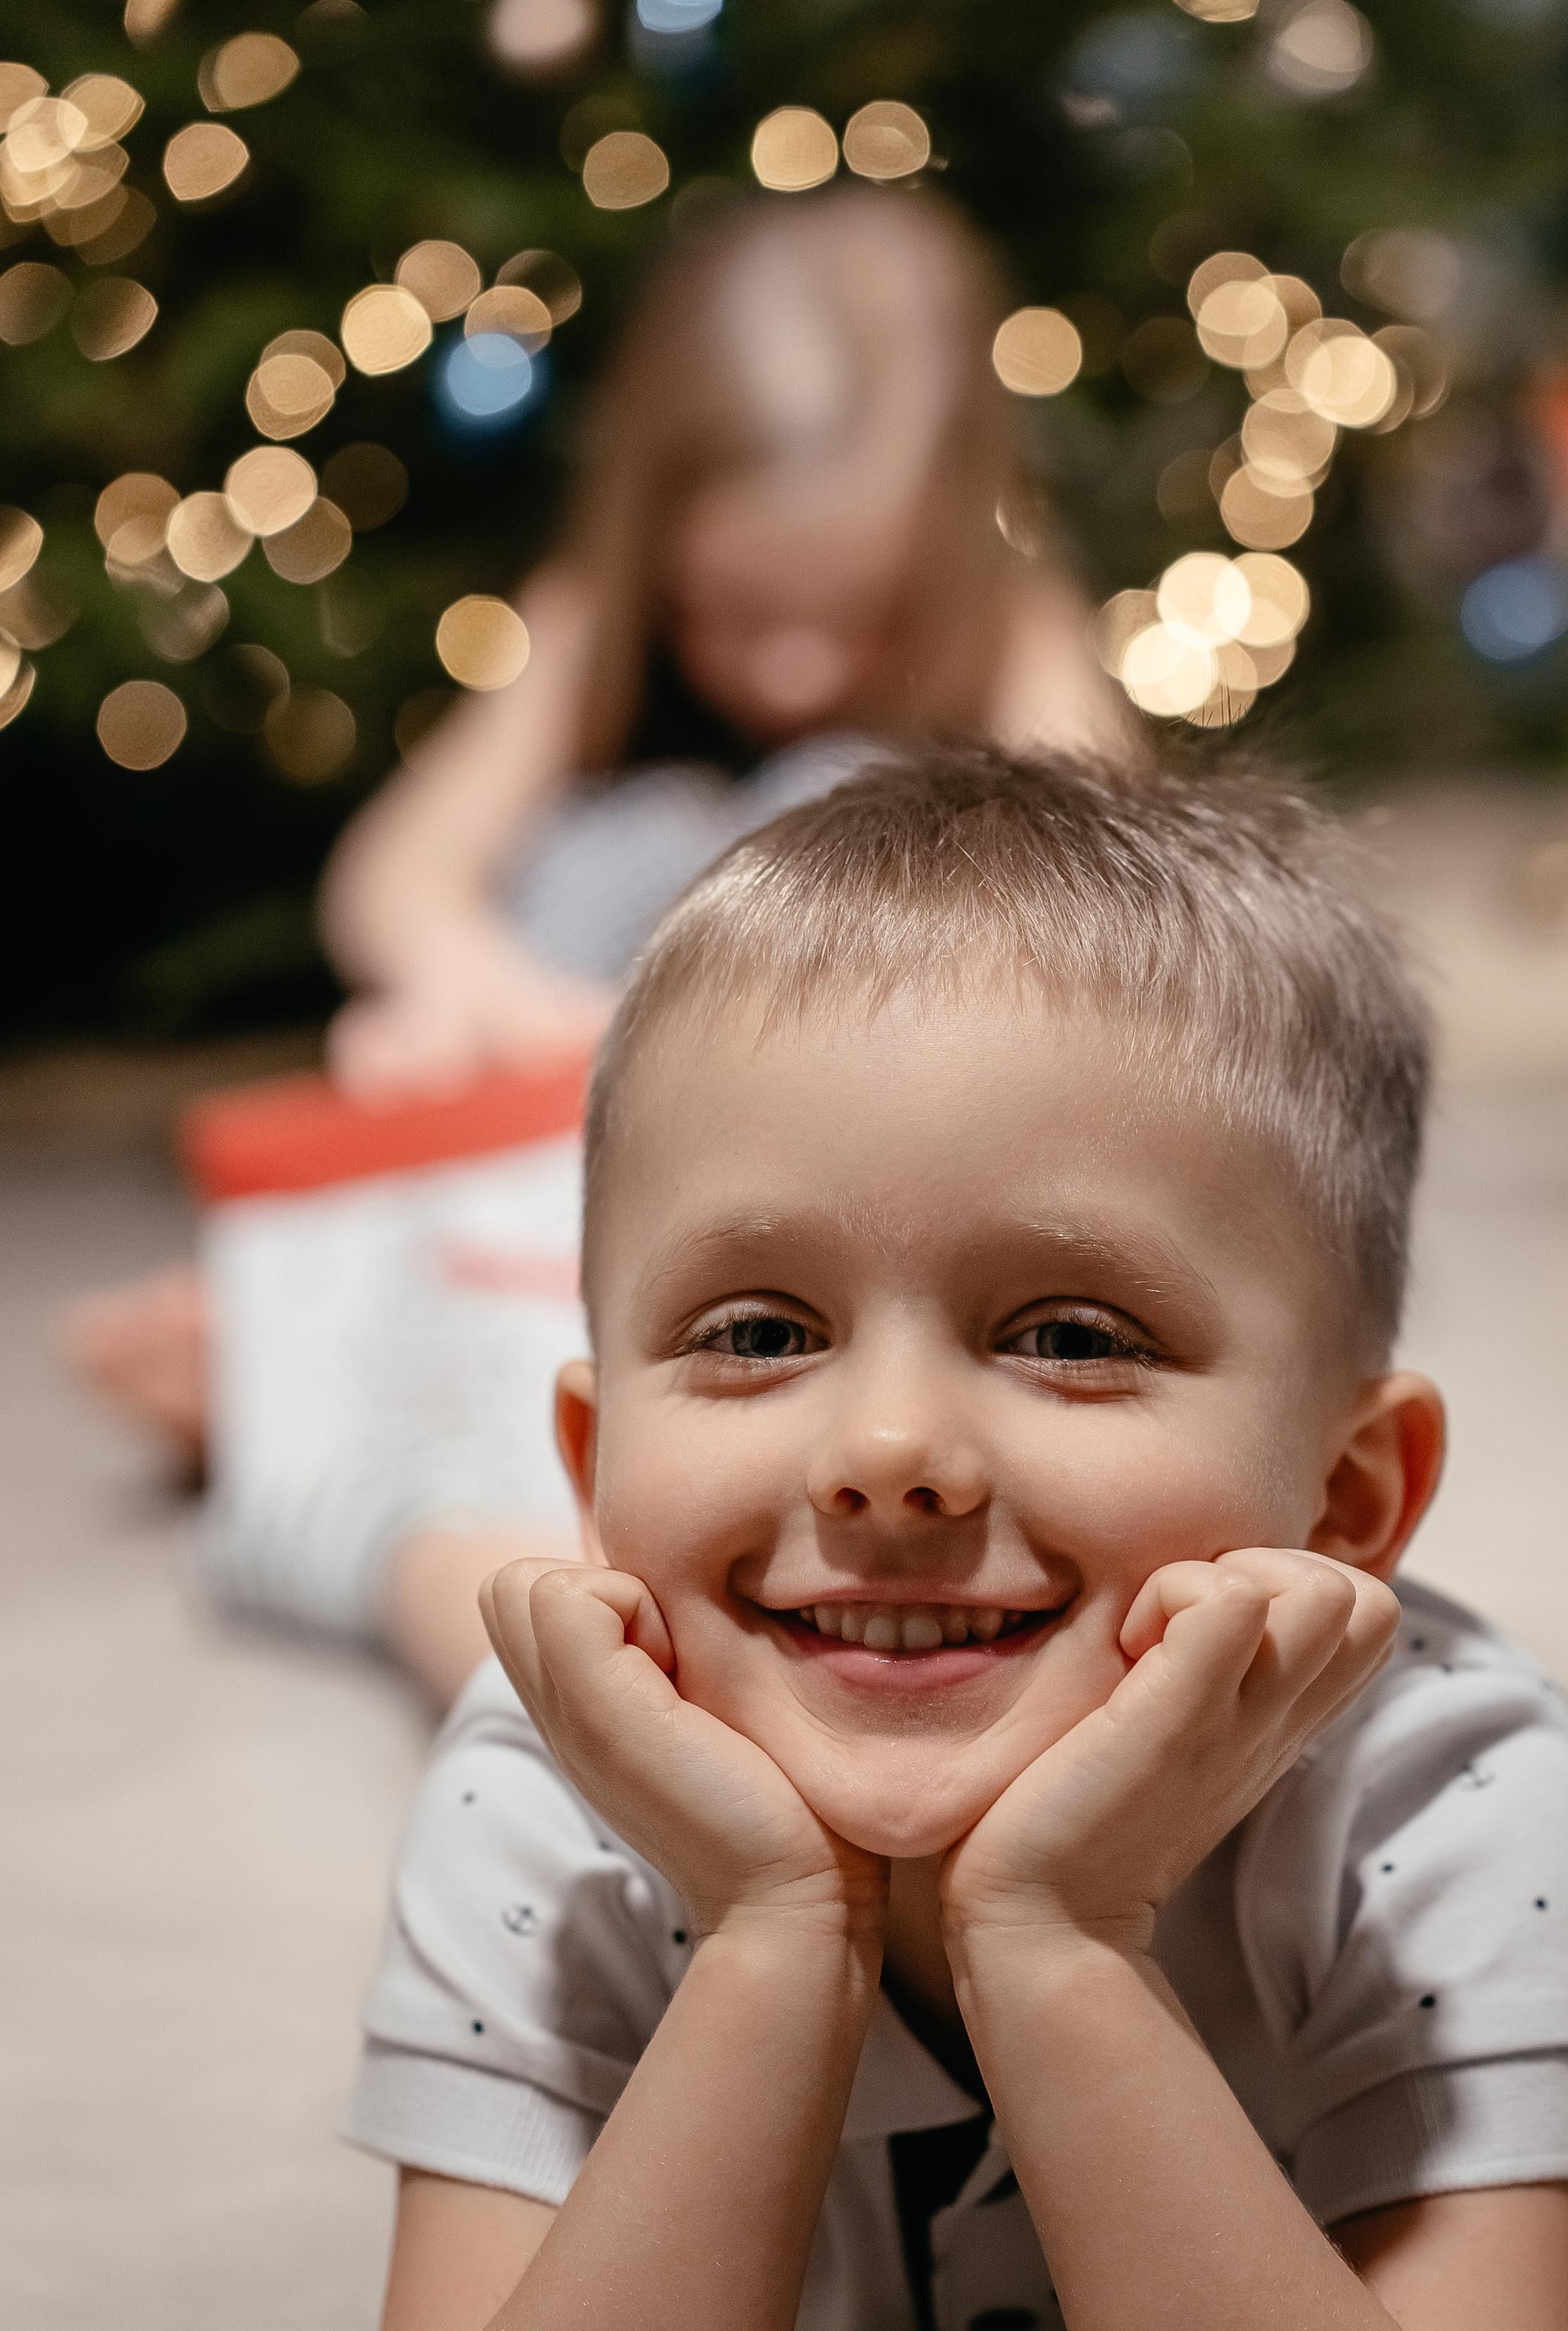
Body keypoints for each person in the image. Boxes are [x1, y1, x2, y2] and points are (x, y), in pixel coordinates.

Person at [334, 748, 1568, 2331]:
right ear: (599, 1462)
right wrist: (777, 1941)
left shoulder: (1452, 1796)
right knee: (387, 1560)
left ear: (1347, 1503)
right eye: (760, 1326)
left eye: (1069, 1332)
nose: (890, 1452)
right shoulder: (549, 1790)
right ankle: (316, 1484)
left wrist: (1062, 1947)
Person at [65, 187, 1126, 1705]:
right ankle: (321, 1374)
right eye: (732, 611)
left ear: (950, 543)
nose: (791, 665)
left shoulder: (1018, 632)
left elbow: (1107, 908)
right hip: (556, 1169)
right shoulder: (584, 627)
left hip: (858, 1187)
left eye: (856, 617)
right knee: (469, 1016)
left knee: (865, 813)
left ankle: (328, 1397)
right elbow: (396, 881)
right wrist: (479, 998)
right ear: (654, 538)